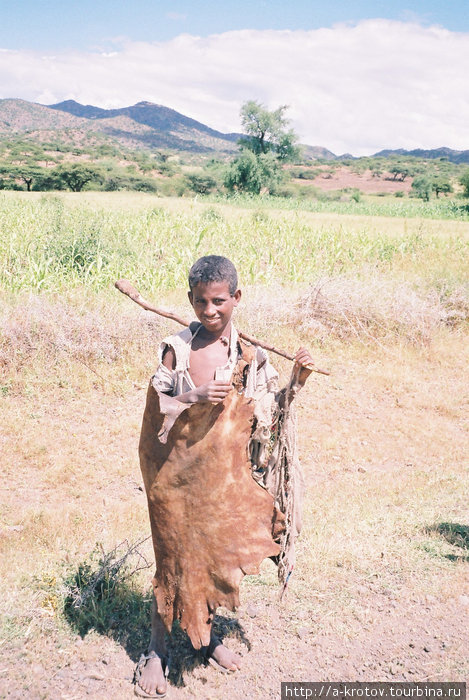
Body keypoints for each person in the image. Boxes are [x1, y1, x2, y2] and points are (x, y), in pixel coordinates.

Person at [135, 255, 314, 698]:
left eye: (219, 301)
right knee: (171, 555)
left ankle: (206, 640)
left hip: (221, 480)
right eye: (200, 303)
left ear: (236, 297)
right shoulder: (177, 346)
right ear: (190, 301)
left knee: (213, 552)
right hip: (173, 476)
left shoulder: (249, 356)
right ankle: (157, 650)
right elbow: (156, 402)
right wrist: (194, 394)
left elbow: (271, 408)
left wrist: (298, 380)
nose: (210, 311)